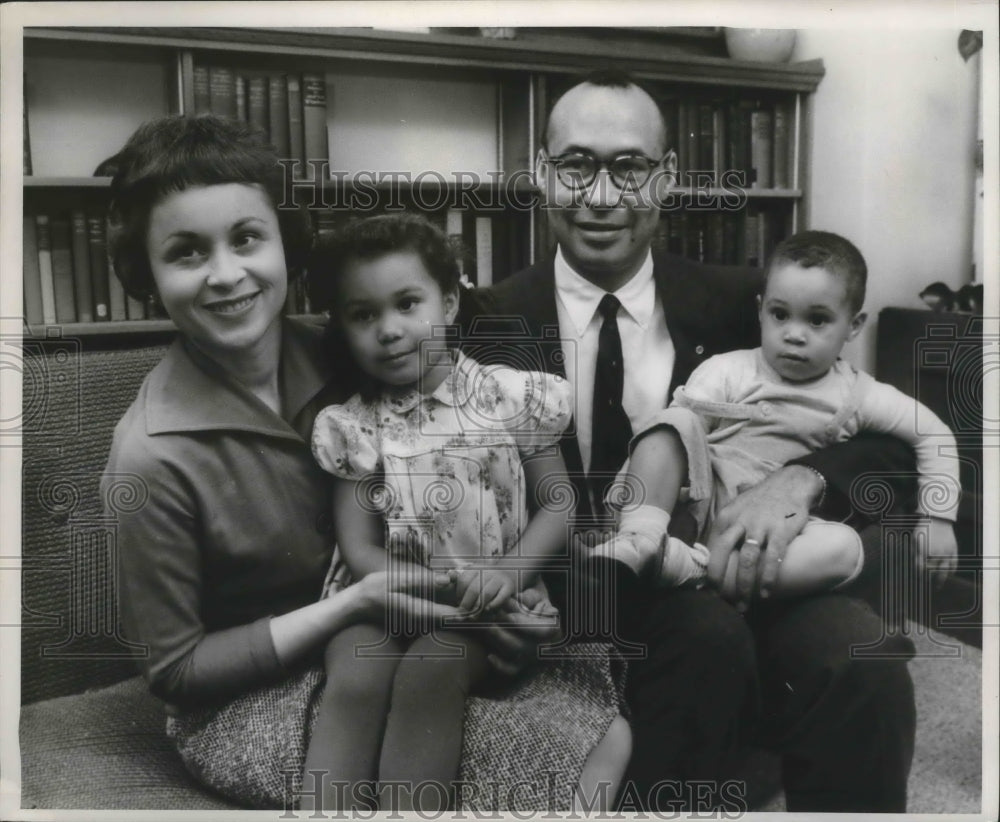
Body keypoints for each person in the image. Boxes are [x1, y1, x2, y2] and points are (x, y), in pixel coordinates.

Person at [100, 114, 627, 812]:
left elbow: (478, 404)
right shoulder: (150, 456)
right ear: (148, 274)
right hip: (264, 684)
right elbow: (177, 670)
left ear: (285, 246)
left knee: (601, 734)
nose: (227, 275)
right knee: (512, 741)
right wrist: (366, 603)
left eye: (248, 238)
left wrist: (511, 587)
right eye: (187, 252)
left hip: (423, 619)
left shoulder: (351, 343)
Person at [479, 69, 927, 812]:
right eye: (575, 165)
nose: (600, 196)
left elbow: (882, 433)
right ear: (540, 173)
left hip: (729, 562)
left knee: (860, 662)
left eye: (628, 167)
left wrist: (803, 479)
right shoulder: (485, 318)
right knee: (704, 646)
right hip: (559, 586)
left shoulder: (749, 304)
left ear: (668, 178)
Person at [306, 213, 626, 811]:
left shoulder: (509, 398)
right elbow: (359, 550)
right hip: (387, 595)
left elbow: (559, 503)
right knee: (354, 671)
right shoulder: (352, 426)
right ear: (343, 327)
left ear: (449, 302)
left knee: (433, 666)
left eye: (407, 304)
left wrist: (508, 572)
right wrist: (436, 590)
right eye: (363, 315)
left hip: (487, 602)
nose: (390, 330)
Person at [591, 230, 960, 598]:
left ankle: (697, 570)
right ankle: (639, 536)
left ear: (854, 326)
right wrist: (628, 499)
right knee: (676, 421)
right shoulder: (729, 370)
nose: (794, 334)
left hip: (778, 531)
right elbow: (670, 441)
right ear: (760, 310)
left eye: (817, 320)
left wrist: (938, 518)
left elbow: (933, 433)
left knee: (844, 548)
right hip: (698, 503)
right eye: (780, 315)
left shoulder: (858, 394)